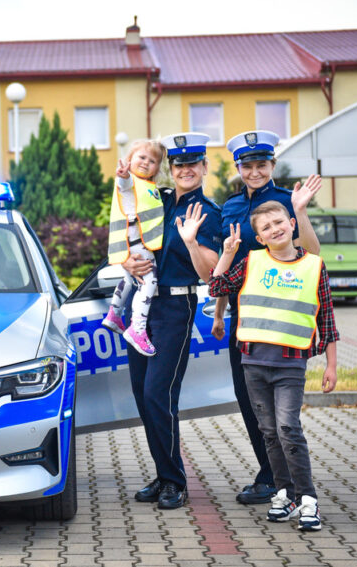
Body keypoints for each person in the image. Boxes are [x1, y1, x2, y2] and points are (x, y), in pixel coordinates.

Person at [206, 200, 338, 531]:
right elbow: (216, 287)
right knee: (269, 432)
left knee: (288, 429)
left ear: (292, 224)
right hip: (253, 363)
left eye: (279, 222)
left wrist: (331, 366)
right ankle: (285, 494)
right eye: (266, 228)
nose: (274, 229)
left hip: (290, 365)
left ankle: (308, 500)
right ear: (260, 238)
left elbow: (327, 319)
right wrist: (227, 253)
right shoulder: (250, 262)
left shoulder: (314, 266)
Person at [214, 130, 323, 505]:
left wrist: (301, 212)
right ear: (238, 168)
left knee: (281, 411)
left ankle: (280, 481)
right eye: (248, 166)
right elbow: (228, 263)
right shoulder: (230, 207)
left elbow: (312, 254)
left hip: (279, 319)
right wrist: (220, 314)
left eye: (262, 164)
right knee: (249, 400)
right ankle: (274, 475)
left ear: (272, 165)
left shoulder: (288, 201)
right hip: (243, 319)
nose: (255, 172)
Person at [121, 132, 222, 510]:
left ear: (204, 167)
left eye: (193, 164)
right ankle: (164, 474)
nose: (185, 170)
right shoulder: (155, 198)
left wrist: (192, 241)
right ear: (171, 168)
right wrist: (125, 261)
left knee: (158, 395)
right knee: (142, 396)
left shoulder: (208, 212)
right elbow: (124, 230)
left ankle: (175, 481)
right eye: (178, 164)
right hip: (140, 306)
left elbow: (211, 273)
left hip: (176, 307)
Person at [102, 139, 166, 356]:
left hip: (133, 242)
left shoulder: (148, 187)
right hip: (139, 243)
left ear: (157, 168)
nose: (146, 163)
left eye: (152, 161)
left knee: (129, 279)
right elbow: (125, 184)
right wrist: (123, 175)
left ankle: (114, 314)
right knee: (149, 281)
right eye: (142, 157)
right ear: (129, 160)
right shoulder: (131, 182)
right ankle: (137, 328)